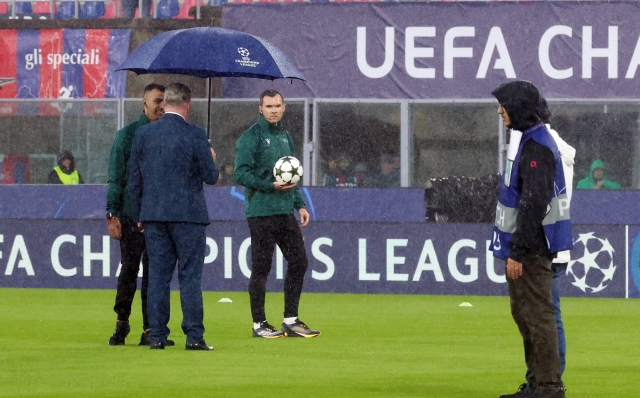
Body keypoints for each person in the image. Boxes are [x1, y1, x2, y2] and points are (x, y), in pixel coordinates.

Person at [491, 81, 572, 398]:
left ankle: (548, 387)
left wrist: (518, 252)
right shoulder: (527, 140)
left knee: (538, 318)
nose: (500, 111)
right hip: (532, 248)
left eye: (504, 105)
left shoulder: (536, 146)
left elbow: (534, 203)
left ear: (519, 109)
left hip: (533, 250)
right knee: (527, 316)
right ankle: (539, 384)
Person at [128, 83, 219, 350]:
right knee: (190, 276)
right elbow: (211, 176)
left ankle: (156, 335)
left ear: (165, 103)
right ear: (188, 104)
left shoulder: (144, 134)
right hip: (188, 216)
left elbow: (134, 179)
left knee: (157, 276)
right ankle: (194, 336)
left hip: (154, 215)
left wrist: (139, 214)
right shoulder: (195, 135)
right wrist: (210, 157)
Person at [234, 89, 320, 339]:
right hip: (260, 211)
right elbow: (240, 174)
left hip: (284, 210)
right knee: (262, 267)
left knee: (299, 261)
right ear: (260, 109)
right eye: (268, 106)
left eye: (277, 106)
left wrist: (299, 204)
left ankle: (291, 320)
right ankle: (259, 324)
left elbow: (291, 176)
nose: (273, 110)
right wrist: (268, 185)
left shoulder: (285, 137)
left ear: (284, 108)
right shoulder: (251, 137)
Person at [106, 83, 165, 346]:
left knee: (154, 274)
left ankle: (150, 328)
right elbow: (115, 178)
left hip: (158, 217)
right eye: (157, 101)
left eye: (165, 101)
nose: (161, 106)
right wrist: (112, 214)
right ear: (144, 103)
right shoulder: (127, 135)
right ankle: (122, 322)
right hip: (131, 215)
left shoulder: (169, 134)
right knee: (129, 270)